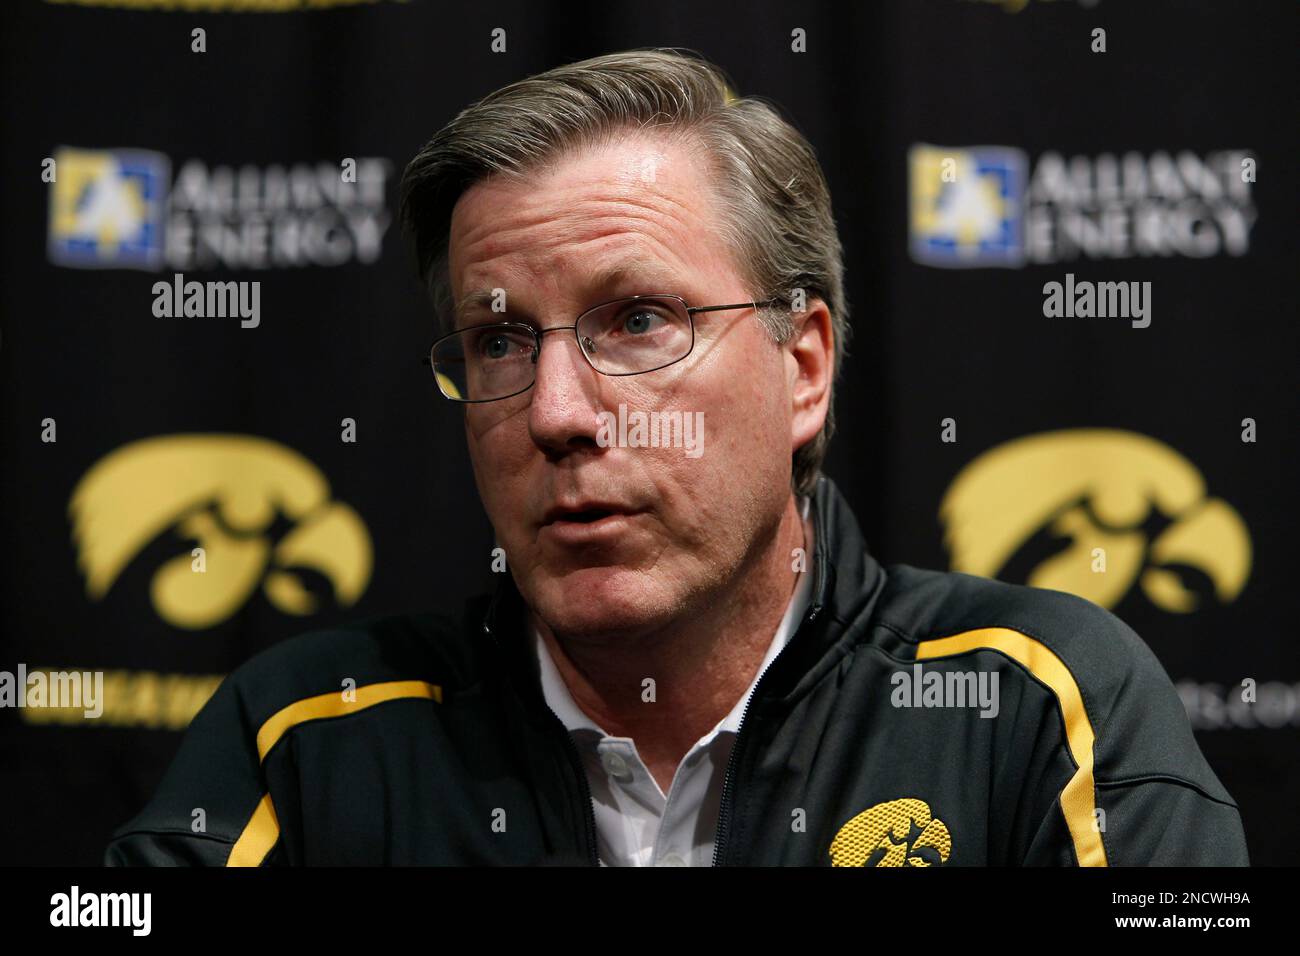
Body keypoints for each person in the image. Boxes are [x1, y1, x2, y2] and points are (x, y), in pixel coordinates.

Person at [105, 48, 1248, 867]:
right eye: (500, 338)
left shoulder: (1037, 706)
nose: (556, 410)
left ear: (802, 365)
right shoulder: (308, 734)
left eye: (639, 320)